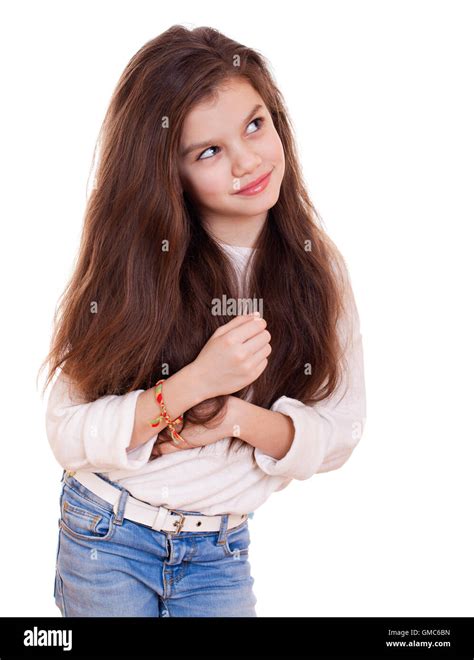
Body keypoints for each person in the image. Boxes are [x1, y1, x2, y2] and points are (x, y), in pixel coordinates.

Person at [39, 24, 366, 617]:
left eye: (255, 124)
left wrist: (238, 419)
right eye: (209, 151)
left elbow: (340, 433)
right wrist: (196, 384)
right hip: (109, 537)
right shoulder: (137, 268)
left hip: (220, 551)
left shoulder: (318, 271)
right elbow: (65, 432)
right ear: (170, 173)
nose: (249, 160)